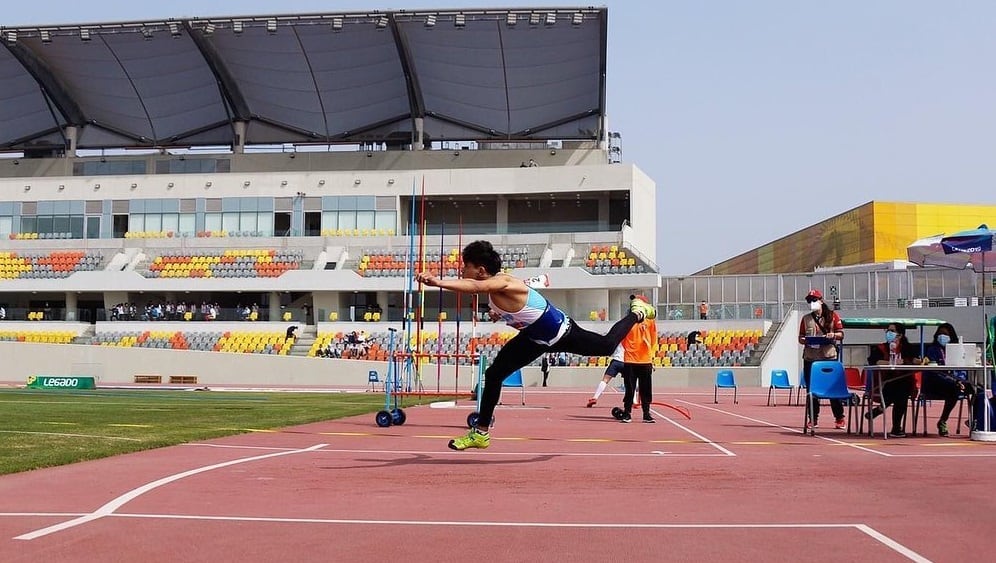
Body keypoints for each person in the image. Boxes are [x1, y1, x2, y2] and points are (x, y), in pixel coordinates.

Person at [415, 240, 656, 450]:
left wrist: (437, 282)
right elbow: (507, 306)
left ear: (480, 270)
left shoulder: (505, 282)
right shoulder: (494, 292)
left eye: (464, 267)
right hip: (534, 340)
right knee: (494, 374)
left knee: (606, 346)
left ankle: (636, 313)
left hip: (562, 332)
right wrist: (504, 316)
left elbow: (476, 287)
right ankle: (481, 433)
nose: (461, 271)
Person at [798, 289, 846, 430]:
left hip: (828, 357)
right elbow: (800, 337)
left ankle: (839, 418)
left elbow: (841, 334)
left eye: (814, 300)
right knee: (811, 390)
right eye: (809, 301)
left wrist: (833, 335)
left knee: (833, 388)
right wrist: (805, 340)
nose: (812, 303)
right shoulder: (806, 319)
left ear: (821, 301)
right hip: (810, 358)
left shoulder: (832, 316)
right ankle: (812, 419)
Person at [922, 323, 976, 436]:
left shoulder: (957, 349)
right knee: (954, 389)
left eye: (945, 334)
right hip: (936, 383)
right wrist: (955, 381)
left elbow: (962, 368)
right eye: (940, 334)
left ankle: (975, 420)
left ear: (951, 336)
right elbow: (934, 371)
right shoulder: (932, 349)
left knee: (977, 390)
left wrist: (960, 380)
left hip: (955, 382)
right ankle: (943, 421)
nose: (942, 336)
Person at [866, 321, 917, 438]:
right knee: (900, 392)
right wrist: (890, 362)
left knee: (902, 390)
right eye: (888, 330)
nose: (889, 333)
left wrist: (912, 361)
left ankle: (882, 411)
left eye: (892, 331)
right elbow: (875, 361)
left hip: (904, 381)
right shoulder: (880, 348)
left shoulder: (908, 348)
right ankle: (896, 427)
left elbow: (914, 360)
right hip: (884, 382)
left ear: (900, 335)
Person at [619, 299, 659, 423]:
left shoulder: (650, 321)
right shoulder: (628, 321)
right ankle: (627, 412)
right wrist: (629, 350)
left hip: (645, 360)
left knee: (646, 389)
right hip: (630, 360)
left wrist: (651, 356)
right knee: (629, 388)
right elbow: (621, 338)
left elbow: (653, 339)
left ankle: (646, 413)